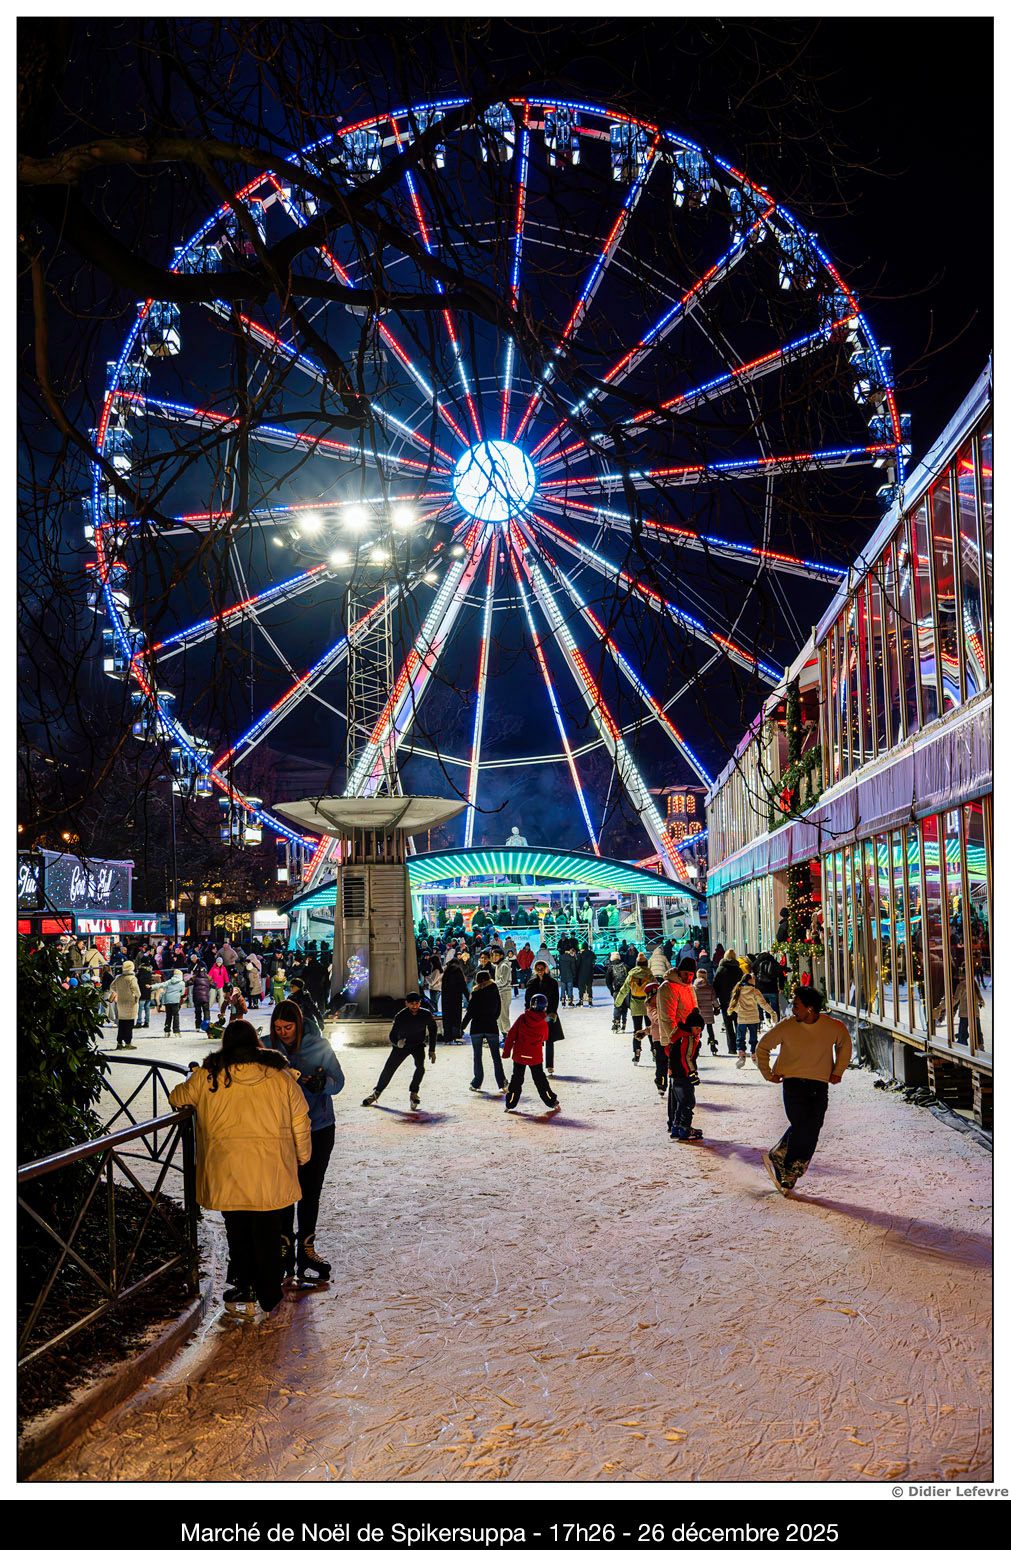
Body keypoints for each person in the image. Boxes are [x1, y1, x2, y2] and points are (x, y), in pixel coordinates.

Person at [169, 1020, 311, 1318]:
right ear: (256, 1042)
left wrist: (194, 1076)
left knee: (237, 1230)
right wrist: (302, 1156)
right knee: (268, 1231)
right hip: (271, 1169)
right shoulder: (280, 1076)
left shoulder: (209, 1076)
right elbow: (300, 1119)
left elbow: (177, 1097)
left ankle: (243, 1287)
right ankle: (269, 1294)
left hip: (227, 1168)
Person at [268, 999, 345, 1283]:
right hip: (281, 1130)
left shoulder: (319, 1046)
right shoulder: (267, 1048)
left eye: (288, 1027)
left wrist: (322, 1085)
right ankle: (283, 1246)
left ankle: (306, 1249)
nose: (283, 1033)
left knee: (310, 1190)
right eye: (278, 1028)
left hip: (318, 1127)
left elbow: (339, 1081)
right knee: (284, 1189)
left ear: (299, 1025)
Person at [756, 987, 852, 1193]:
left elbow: (845, 1043)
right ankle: (791, 1167)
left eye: (796, 1006)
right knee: (802, 1125)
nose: (792, 1010)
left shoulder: (832, 1026)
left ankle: (782, 1154)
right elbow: (762, 1047)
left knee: (814, 1126)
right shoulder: (787, 1026)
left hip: (819, 1084)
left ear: (810, 1009)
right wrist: (768, 1073)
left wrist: (838, 1071)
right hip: (793, 1083)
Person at [361, 991, 438, 1111]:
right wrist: (397, 1042)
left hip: (417, 1045)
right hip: (402, 1046)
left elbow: (433, 1030)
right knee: (389, 1068)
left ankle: (414, 1093)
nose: (415, 1006)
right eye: (412, 1003)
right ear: (406, 1003)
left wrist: (432, 1050)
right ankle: (376, 1093)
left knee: (420, 1068)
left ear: (420, 1003)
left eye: (417, 1003)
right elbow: (392, 1034)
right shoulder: (401, 1016)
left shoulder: (425, 1014)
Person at [502, 993, 560, 1115]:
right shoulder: (543, 1023)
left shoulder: (522, 1018)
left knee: (516, 1079)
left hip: (520, 1055)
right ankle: (551, 1101)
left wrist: (506, 1052)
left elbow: (511, 1035)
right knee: (540, 1080)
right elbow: (545, 1037)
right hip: (534, 1056)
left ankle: (510, 1103)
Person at [462, 969, 508, 1093]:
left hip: (476, 1027)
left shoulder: (475, 993)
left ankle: (477, 1083)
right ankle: (502, 1082)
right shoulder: (494, 990)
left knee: (477, 1056)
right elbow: (498, 1010)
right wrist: (492, 1018)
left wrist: (462, 1027)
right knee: (496, 1057)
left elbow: (470, 1012)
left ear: (477, 980)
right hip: (491, 1026)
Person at [657, 960, 699, 1093]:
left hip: (689, 1039)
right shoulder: (668, 987)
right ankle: (681, 1104)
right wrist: (675, 1041)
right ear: (679, 971)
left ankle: (682, 1102)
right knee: (680, 1078)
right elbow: (667, 1018)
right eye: (686, 973)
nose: (688, 977)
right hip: (677, 1041)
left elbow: (695, 1011)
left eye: (691, 974)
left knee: (687, 1075)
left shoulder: (689, 987)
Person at [668, 1010, 706, 1142]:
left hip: (675, 1074)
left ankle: (676, 1127)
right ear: (690, 1027)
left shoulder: (678, 1035)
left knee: (681, 1101)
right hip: (684, 1074)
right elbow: (687, 1057)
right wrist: (692, 1074)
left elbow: (668, 1051)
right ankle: (685, 1129)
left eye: (700, 1028)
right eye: (696, 1028)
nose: (698, 1031)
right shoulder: (688, 1038)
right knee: (688, 1102)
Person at [727, 972, 775, 1067]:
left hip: (742, 1018)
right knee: (753, 1038)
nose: (755, 980)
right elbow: (763, 1004)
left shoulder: (738, 990)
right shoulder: (755, 991)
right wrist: (771, 1012)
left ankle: (741, 1056)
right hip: (753, 1018)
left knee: (740, 1038)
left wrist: (739, 1011)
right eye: (753, 979)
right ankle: (754, 1055)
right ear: (749, 980)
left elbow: (734, 1003)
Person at [524, 958, 563, 1073]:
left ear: (545, 969)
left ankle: (549, 1065)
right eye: (538, 969)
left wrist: (553, 1012)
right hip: (535, 1015)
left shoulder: (552, 982)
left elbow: (555, 999)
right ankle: (537, 1064)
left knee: (549, 1040)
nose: (540, 971)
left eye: (542, 969)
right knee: (536, 1041)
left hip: (549, 1013)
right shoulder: (531, 983)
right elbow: (528, 999)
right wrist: (528, 1012)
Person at [614, 954, 652, 1062]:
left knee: (637, 1029)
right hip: (648, 1005)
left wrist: (617, 1003)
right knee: (650, 1029)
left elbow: (624, 990)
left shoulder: (631, 975)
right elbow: (656, 989)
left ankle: (637, 1052)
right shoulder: (649, 975)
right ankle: (654, 1050)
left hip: (635, 1005)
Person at [713, 949, 744, 1055]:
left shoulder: (721, 969)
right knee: (738, 1022)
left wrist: (716, 997)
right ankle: (740, 1045)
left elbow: (716, 984)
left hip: (725, 999)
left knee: (728, 1023)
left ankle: (732, 1048)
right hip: (736, 999)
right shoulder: (738, 969)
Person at [109, 959, 141, 1049]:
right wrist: (136, 997)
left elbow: (112, 986)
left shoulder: (119, 978)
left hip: (121, 1002)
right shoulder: (132, 978)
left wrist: (119, 991)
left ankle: (119, 1042)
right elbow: (137, 991)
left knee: (122, 1023)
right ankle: (128, 1042)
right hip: (130, 1003)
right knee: (129, 1024)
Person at [752, 948, 787, 1023]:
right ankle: (776, 1022)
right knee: (774, 1007)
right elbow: (781, 975)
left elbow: (752, 973)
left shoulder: (756, 962)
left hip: (760, 989)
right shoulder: (773, 962)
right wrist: (781, 987)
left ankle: (761, 1022)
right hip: (772, 989)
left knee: (761, 1006)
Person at [440, 957, 469, 1044]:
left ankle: (447, 1037)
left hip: (446, 1000)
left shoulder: (446, 973)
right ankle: (456, 1036)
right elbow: (463, 986)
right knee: (456, 1017)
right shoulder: (458, 972)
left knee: (447, 1018)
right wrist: (468, 998)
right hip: (456, 998)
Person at [693, 969, 720, 1056]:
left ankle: (696, 1046)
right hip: (708, 1012)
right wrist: (717, 1007)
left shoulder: (694, 988)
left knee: (698, 1031)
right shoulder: (709, 988)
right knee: (710, 1030)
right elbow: (714, 1000)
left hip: (698, 1013)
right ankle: (713, 1045)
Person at [491, 947, 513, 1040]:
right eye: (493, 955)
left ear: (501, 956)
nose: (494, 957)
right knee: (499, 1016)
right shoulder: (498, 965)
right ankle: (504, 1036)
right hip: (499, 992)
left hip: (504, 992)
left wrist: (492, 983)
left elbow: (503, 981)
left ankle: (508, 1037)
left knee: (504, 1016)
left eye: (496, 955)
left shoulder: (504, 965)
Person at [157, 968, 186, 1037]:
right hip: (175, 1001)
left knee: (168, 1016)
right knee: (175, 1016)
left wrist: (151, 987)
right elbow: (182, 993)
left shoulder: (169, 982)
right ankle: (176, 1031)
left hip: (167, 1001)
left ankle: (167, 1031)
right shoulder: (182, 983)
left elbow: (161, 985)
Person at [605, 952, 628, 1032]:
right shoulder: (625, 966)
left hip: (617, 990)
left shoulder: (611, 968)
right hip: (625, 990)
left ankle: (616, 1023)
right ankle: (624, 1023)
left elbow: (608, 981)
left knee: (617, 1006)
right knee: (624, 1006)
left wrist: (612, 991)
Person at [188, 961, 211, 1032]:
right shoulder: (208, 979)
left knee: (198, 1012)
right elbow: (213, 985)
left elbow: (188, 983)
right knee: (206, 1011)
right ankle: (207, 1026)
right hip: (205, 998)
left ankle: (198, 1026)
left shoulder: (195, 978)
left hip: (197, 998)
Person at [135, 958, 154, 1030]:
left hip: (142, 991)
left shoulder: (141, 971)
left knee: (140, 1007)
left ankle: (139, 1021)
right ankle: (147, 1022)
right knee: (147, 1007)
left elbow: (138, 981)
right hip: (148, 991)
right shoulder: (150, 971)